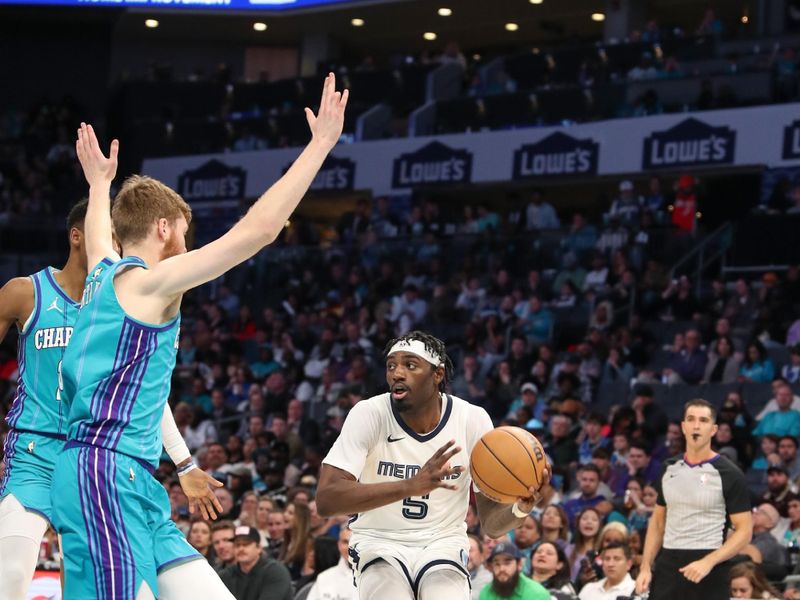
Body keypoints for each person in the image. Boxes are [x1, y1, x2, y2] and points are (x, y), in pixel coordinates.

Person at [51, 74, 348, 600]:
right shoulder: (152, 283)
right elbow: (256, 232)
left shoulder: (102, 272)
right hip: (102, 472)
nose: (188, 244)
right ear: (164, 228)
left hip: (135, 480)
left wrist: (99, 184)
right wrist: (321, 144)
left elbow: (99, 232)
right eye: (184, 231)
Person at [0, 200, 219, 599]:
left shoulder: (117, 300)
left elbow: (147, 396)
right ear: (78, 235)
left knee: (80, 581)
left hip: (91, 456)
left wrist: (184, 462)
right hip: (36, 448)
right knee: (11, 574)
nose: (116, 244)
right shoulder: (25, 292)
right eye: (109, 234)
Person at [316, 331, 551, 600]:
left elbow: (492, 525)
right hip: (379, 542)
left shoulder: (470, 420)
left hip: (442, 544)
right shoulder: (369, 414)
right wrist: (410, 486)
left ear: (437, 374)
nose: (397, 373)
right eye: (391, 365)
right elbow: (326, 500)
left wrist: (521, 506)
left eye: (410, 365)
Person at [635, 399, 753, 600]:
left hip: (709, 567)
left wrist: (709, 561)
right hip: (667, 565)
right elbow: (657, 522)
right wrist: (646, 567)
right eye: (691, 419)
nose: (696, 426)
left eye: (703, 420)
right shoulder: (668, 468)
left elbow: (745, 531)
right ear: (683, 427)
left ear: (713, 429)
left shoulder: (730, 473)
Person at [219, 526, 293, 600]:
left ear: (259, 548)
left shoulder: (275, 571)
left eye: (246, 544)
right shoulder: (226, 575)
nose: (241, 549)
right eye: (237, 545)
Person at [479, 541, 549, 600]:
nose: (501, 569)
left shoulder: (536, 593)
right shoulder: (486, 592)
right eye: (497, 564)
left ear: (519, 564)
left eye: (507, 563)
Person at [306, 527, 358, 600]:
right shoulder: (323, 578)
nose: (349, 547)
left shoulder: (374, 577)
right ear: (338, 544)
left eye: (354, 543)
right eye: (345, 542)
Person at [467, 534, 492, 600]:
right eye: (462, 550)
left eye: (470, 550)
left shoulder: (489, 579)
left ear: (481, 556)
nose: (466, 554)